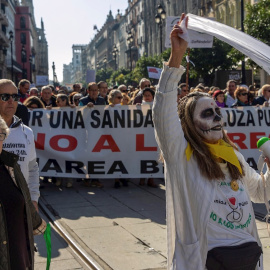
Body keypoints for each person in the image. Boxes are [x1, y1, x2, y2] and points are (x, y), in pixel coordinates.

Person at [153, 14, 266, 270]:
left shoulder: (232, 154)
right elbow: (162, 114)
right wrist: (176, 59)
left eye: (217, 111)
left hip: (247, 259)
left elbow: (260, 193)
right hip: (206, 260)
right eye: (206, 113)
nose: (217, 117)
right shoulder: (181, 155)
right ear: (189, 125)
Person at [0, 115, 47, 269]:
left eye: (0, 135)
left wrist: (36, 221)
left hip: (17, 253)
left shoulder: (11, 165)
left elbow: (23, 198)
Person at [0, 79, 40, 211]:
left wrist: (34, 198)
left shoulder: (27, 132)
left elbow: (32, 167)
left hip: (21, 205)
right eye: (5, 97)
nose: (11, 101)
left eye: (15, 96)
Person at [108, 90, 129, 188]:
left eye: (121, 97)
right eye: (118, 98)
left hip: (123, 137)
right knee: (115, 158)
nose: (121, 100)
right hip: (112, 137)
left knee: (123, 157)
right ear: (112, 98)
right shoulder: (107, 109)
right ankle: (116, 179)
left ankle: (123, 177)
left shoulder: (124, 108)